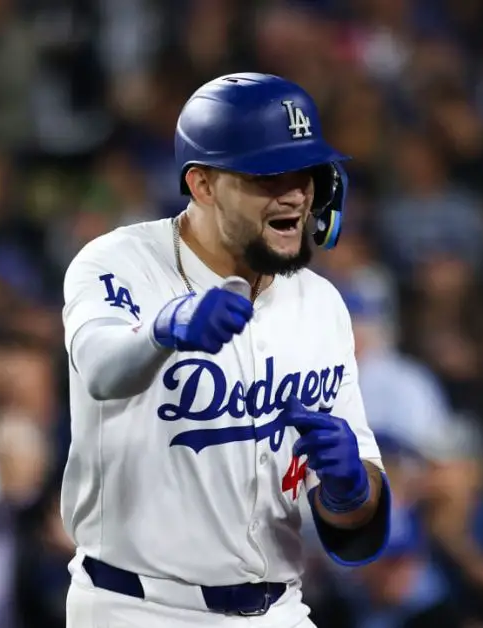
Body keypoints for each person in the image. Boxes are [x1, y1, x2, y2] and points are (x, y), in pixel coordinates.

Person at [60, 72, 391, 627]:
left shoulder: (322, 304)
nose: (295, 194)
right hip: (138, 608)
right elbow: (98, 366)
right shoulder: (118, 263)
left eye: (306, 172)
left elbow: (356, 526)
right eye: (267, 175)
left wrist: (349, 490)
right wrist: (162, 331)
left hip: (280, 609)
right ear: (203, 185)